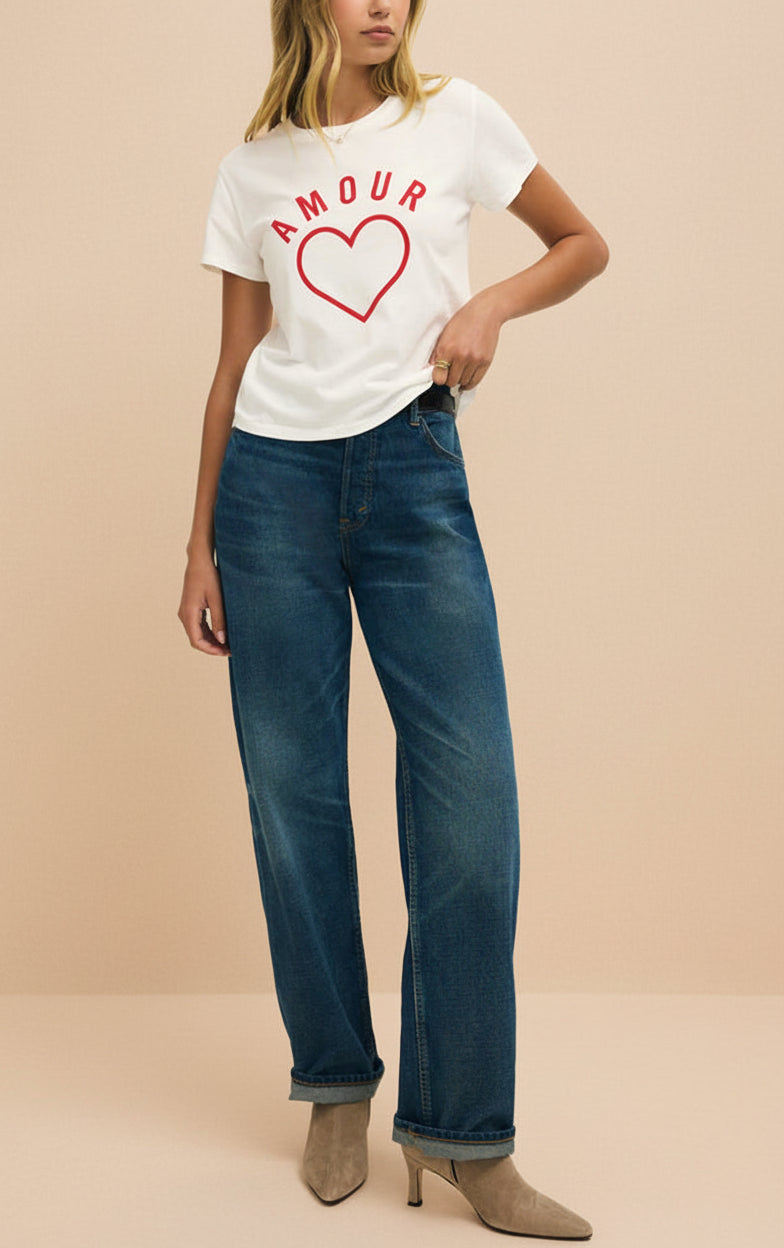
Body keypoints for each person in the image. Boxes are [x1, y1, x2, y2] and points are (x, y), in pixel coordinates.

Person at [179, 0, 608, 1237]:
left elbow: (581, 244)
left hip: (413, 466)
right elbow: (232, 365)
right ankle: (333, 1082)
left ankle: (466, 1135)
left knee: (471, 798)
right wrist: (198, 539)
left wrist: (487, 310)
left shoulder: (454, 119)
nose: (385, 5)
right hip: (268, 493)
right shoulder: (249, 171)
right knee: (292, 794)